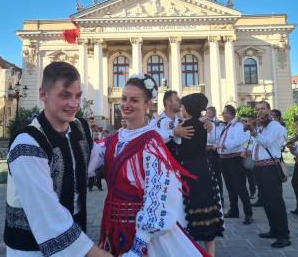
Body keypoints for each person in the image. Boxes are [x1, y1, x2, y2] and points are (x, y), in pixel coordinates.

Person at [88, 74, 210, 257]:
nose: (126, 104)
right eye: (124, 98)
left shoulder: (151, 142)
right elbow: (88, 165)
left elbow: (160, 192)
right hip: (112, 225)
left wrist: (140, 243)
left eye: (134, 100)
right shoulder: (112, 140)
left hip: (140, 233)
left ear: (147, 105)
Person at [4, 62, 111, 257]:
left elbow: (95, 162)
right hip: (32, 246)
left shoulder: (80, 128)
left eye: (78, 95)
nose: (74, 104)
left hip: (76, 235)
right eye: (65, 95)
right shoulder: (27, 144)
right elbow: (46, 211)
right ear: (43, 94)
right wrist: (96, 253)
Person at [178, 94, 224, 256]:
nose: (181, 109)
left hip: (189, 169)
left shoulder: (184, 125)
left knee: (191, 208)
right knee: (206, 207)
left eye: (183, 107)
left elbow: (179, 149)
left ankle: (192, 251)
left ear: (188, 108)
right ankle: (210, 253)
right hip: (204, 168)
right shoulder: (204, 123)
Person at [251, 101, 290, 248]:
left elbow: (267, 143)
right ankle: (274, 230)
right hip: (260, 168)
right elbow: (257, 145)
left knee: (275, 202)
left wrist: (254, 133)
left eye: (263, 108)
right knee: (266, 201)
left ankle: (284, 235)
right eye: (258, 109)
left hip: (270, 168)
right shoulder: (262, 126)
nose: (260, 111)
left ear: (269, 109)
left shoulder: (274, 126)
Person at [214, 105, 253, 225]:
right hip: (223, 159)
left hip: (234, 159)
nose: (223, 114)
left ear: (230, 113)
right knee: (230, 186)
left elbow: (239, 140)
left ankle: (248, 214)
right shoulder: (226, 126)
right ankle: (234, 210)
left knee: (240, 187)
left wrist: (223, 145)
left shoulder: (238, 125)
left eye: (224, 112)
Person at [156, 90, 194, 159]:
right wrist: (174, 133)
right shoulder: (155, 122)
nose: (180, 102)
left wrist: (206, 122)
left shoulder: (182, 122)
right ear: (168, 102)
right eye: (177, 100)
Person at [205, 106, 225, 207]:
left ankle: (220, 196)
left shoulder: (219, 124)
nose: (206, 114)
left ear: (213, 113)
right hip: (205, 151)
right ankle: (210, 196)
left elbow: (218, 138)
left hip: (214, 151)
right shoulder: (203, 122)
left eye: (207, 113)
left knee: (216, 175)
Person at [240, 116, 257, 200]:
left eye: (245, 121)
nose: (243, 122)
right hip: (239, 156)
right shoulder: (240, 131)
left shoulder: (251, 131)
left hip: (248, 156)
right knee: (241, 178)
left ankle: (253, 193)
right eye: (242, 121)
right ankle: (244, 194)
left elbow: (252, 143)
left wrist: (247, 151)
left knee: (250, 177)